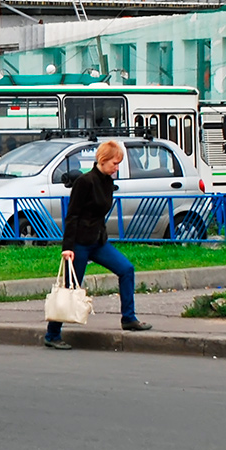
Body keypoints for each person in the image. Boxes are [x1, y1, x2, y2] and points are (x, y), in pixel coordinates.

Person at [45, 140, 151, 350]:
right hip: (79, 244)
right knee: (69, 287)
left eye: (118, 163)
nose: (117, 167)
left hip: (98, 241)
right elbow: (72, 215)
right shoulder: (85, 182)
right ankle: (52, 334)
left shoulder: (107, 182)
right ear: (102, 160)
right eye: (114, 163)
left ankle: (128, 318)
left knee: (126, 269)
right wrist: (67, 247)